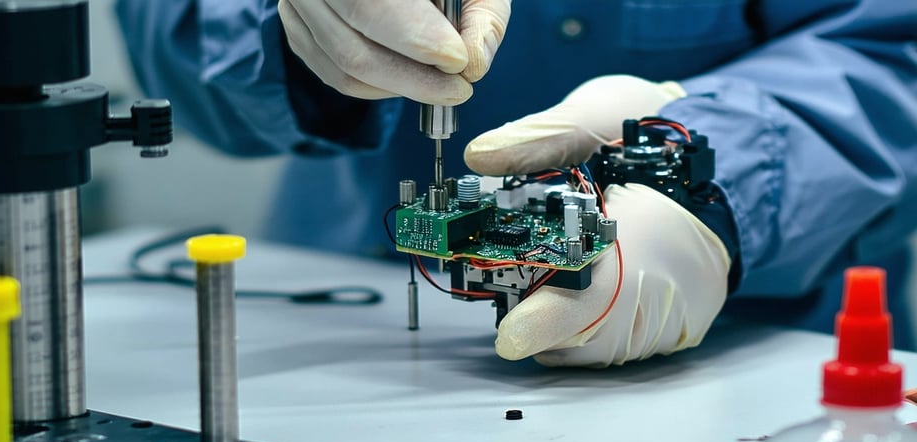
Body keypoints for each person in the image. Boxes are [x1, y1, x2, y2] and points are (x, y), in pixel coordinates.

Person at [114, 0, 917, 366]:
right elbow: (166, 37)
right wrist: (294, 29)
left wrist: (712, 189)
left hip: (767, 346)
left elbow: (892, 48)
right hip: (348, 323)